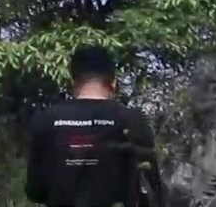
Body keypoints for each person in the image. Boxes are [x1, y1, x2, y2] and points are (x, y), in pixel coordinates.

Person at [23, 45, 166, 207]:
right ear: (113, 82)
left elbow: (35, 190)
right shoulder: (133, 120)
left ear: (72, 82)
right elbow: (152, 187)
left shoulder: (46, 120)